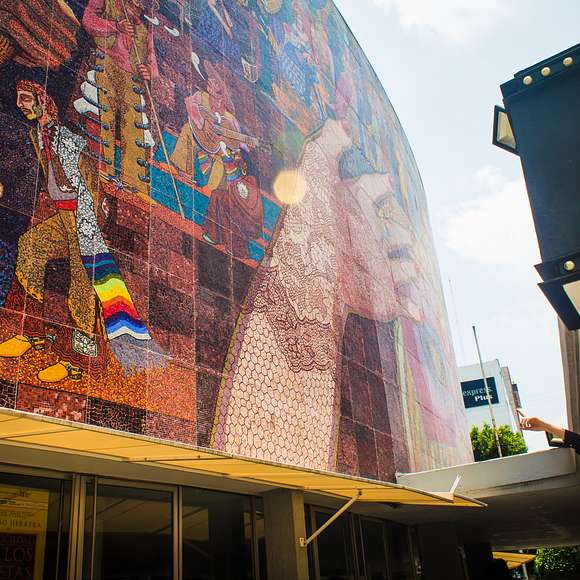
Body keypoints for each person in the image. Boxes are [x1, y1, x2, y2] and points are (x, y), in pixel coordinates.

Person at [0, 81, 153, 383]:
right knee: (31, 246)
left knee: (81, 286)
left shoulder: (66, 137)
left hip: (84, 216)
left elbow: (88, 182)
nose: (20, 104)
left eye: (26, 99)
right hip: (63, 216)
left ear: (43, 100)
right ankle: (33, 334)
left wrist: (89, 226)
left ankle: (78, 361)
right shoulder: (36, 135)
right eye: (18, 99)